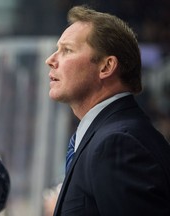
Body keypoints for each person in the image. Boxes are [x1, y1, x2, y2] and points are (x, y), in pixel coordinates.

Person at [45, 5, 170, 216]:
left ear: (106, 67)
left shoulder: (117, 144)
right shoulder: (109, 137)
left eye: (67, 50)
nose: (51, 60)